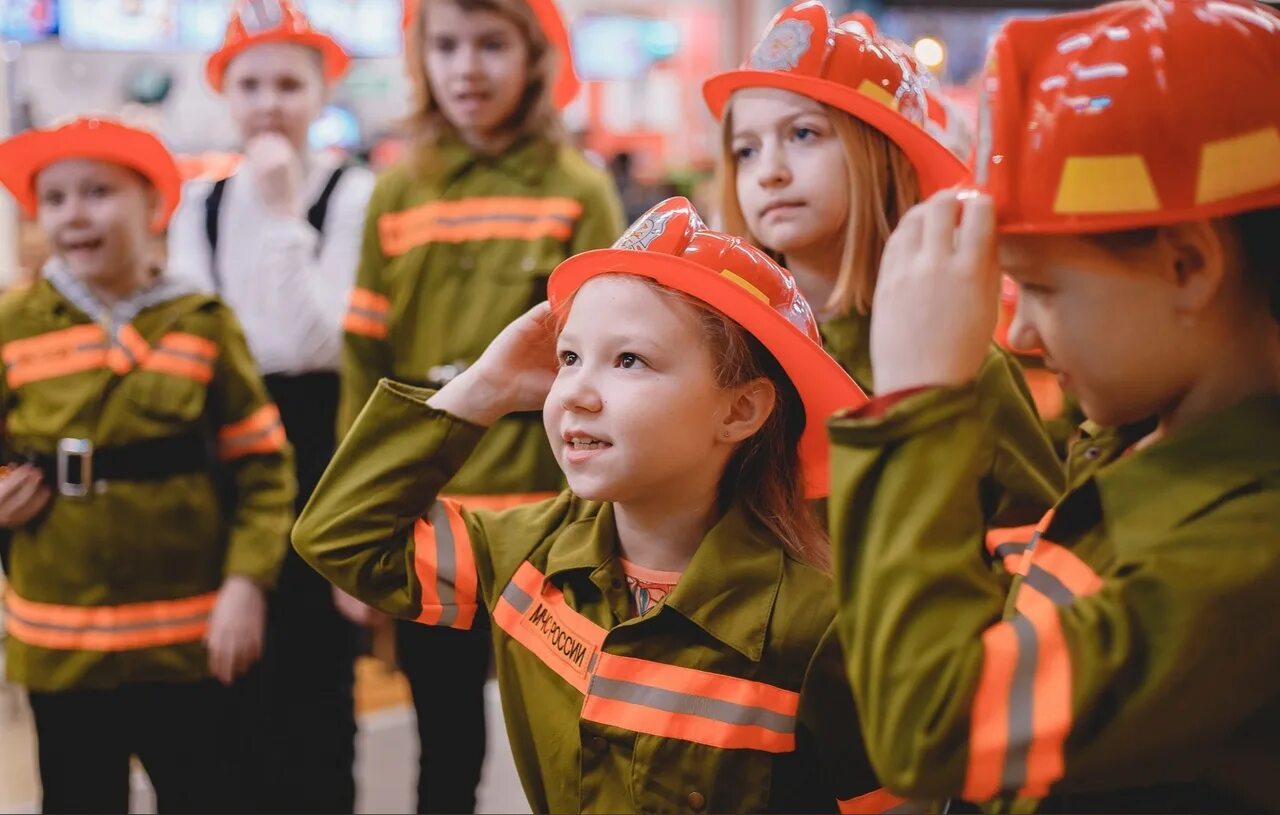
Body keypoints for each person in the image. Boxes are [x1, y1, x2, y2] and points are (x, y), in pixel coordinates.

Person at [293, 196, 942, 813]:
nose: (577, 391)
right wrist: (484, 387)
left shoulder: (817, 623)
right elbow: (340, 535)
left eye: (628, 360)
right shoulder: (527, 557)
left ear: (740, 409)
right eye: (569, 356)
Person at [828, 0, 1280, 810]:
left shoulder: (1253, 553)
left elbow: (937, 728)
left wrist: (915, 402)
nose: (1025, 332)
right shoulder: (1139, 441)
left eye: (1040, 286)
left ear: (1187, 264)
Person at [341, 0, 623, 808]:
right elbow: (365, 363)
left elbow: (606, 364)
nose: (467, 66)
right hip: (435, 522)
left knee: (580, 734)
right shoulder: (397, 192)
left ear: (533, 58)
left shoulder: (577, 188)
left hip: (553, 525)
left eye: (492, 44)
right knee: (446, 743)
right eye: (448, 45)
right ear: (420, 59)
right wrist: (373, 495)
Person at [0, 117, 294, 813]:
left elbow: (263, 467)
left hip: (189, 642)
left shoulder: (200, 320)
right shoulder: (14, 327)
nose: (74, 213)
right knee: (77, 795)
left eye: (98, 191)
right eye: (56, 197)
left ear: (153, 205)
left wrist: (247, 583)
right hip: (60, 642)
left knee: (208, 793)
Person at [702, 0, 1062, 524]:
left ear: (882, 157)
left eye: (804, 134)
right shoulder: (725, 352)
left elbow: (1032, 544)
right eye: (746, 151)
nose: (769, 173)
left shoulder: (960, 360)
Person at [165, 1, 375, 809]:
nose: (269, 103)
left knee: (317, 699)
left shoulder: (355, 195)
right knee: (225, 695)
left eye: (289, 83)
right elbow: (194, 350)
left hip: (322, 461)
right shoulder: (202, 204)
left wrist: (286, 211)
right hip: (223, 465)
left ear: (321, 93)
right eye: (250, 84)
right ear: (226, 93)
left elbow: (317, 345)